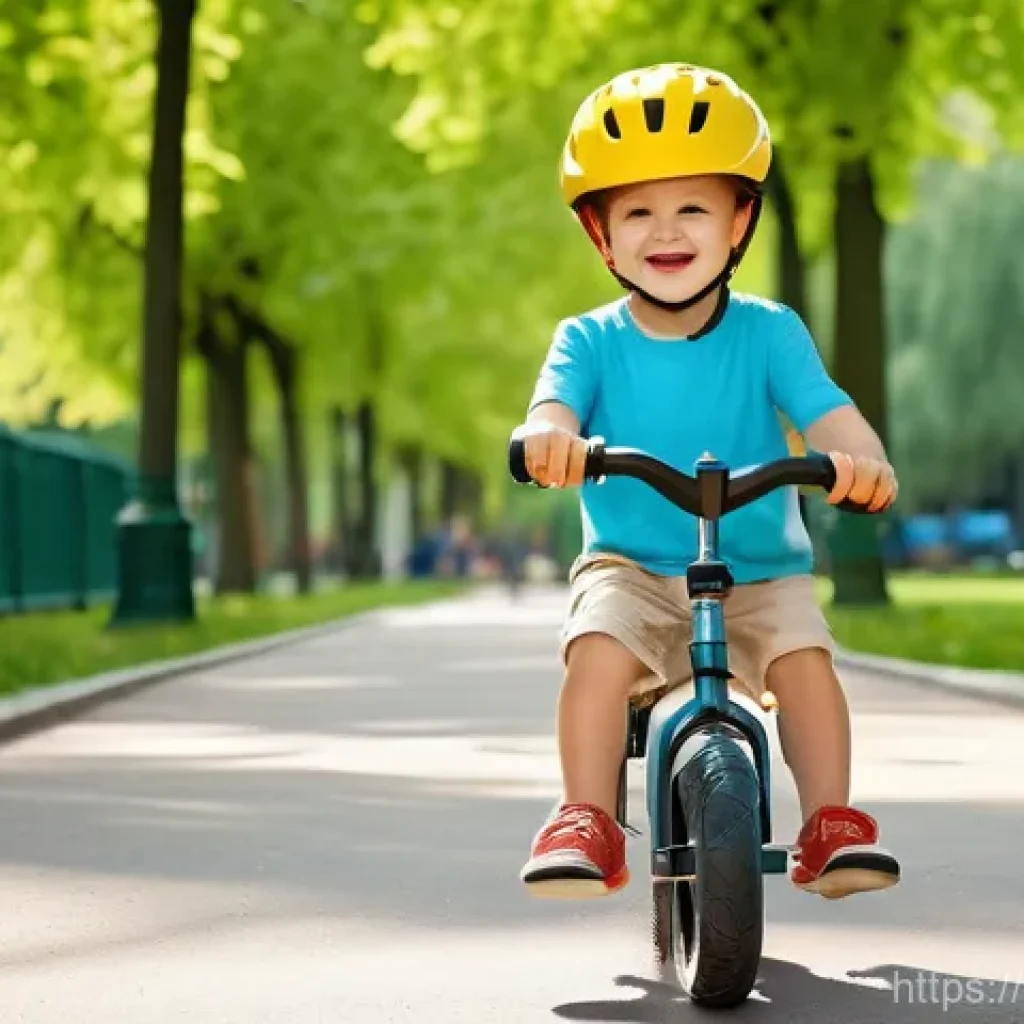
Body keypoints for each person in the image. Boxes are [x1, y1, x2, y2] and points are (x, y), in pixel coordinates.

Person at [512, 64, 900, 901]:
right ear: (602, 236)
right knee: (597, 651)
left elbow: (824, 410)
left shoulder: (769, 332)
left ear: (740, 221)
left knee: (803, 659)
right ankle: (586, 815)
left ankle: (830, 820)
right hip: (631, 566)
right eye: (638, 211)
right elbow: (553, 408)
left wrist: (859, 458)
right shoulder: (587, 339)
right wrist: (550, 438)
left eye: (693, 206)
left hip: (759, 568)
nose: (667, 230)